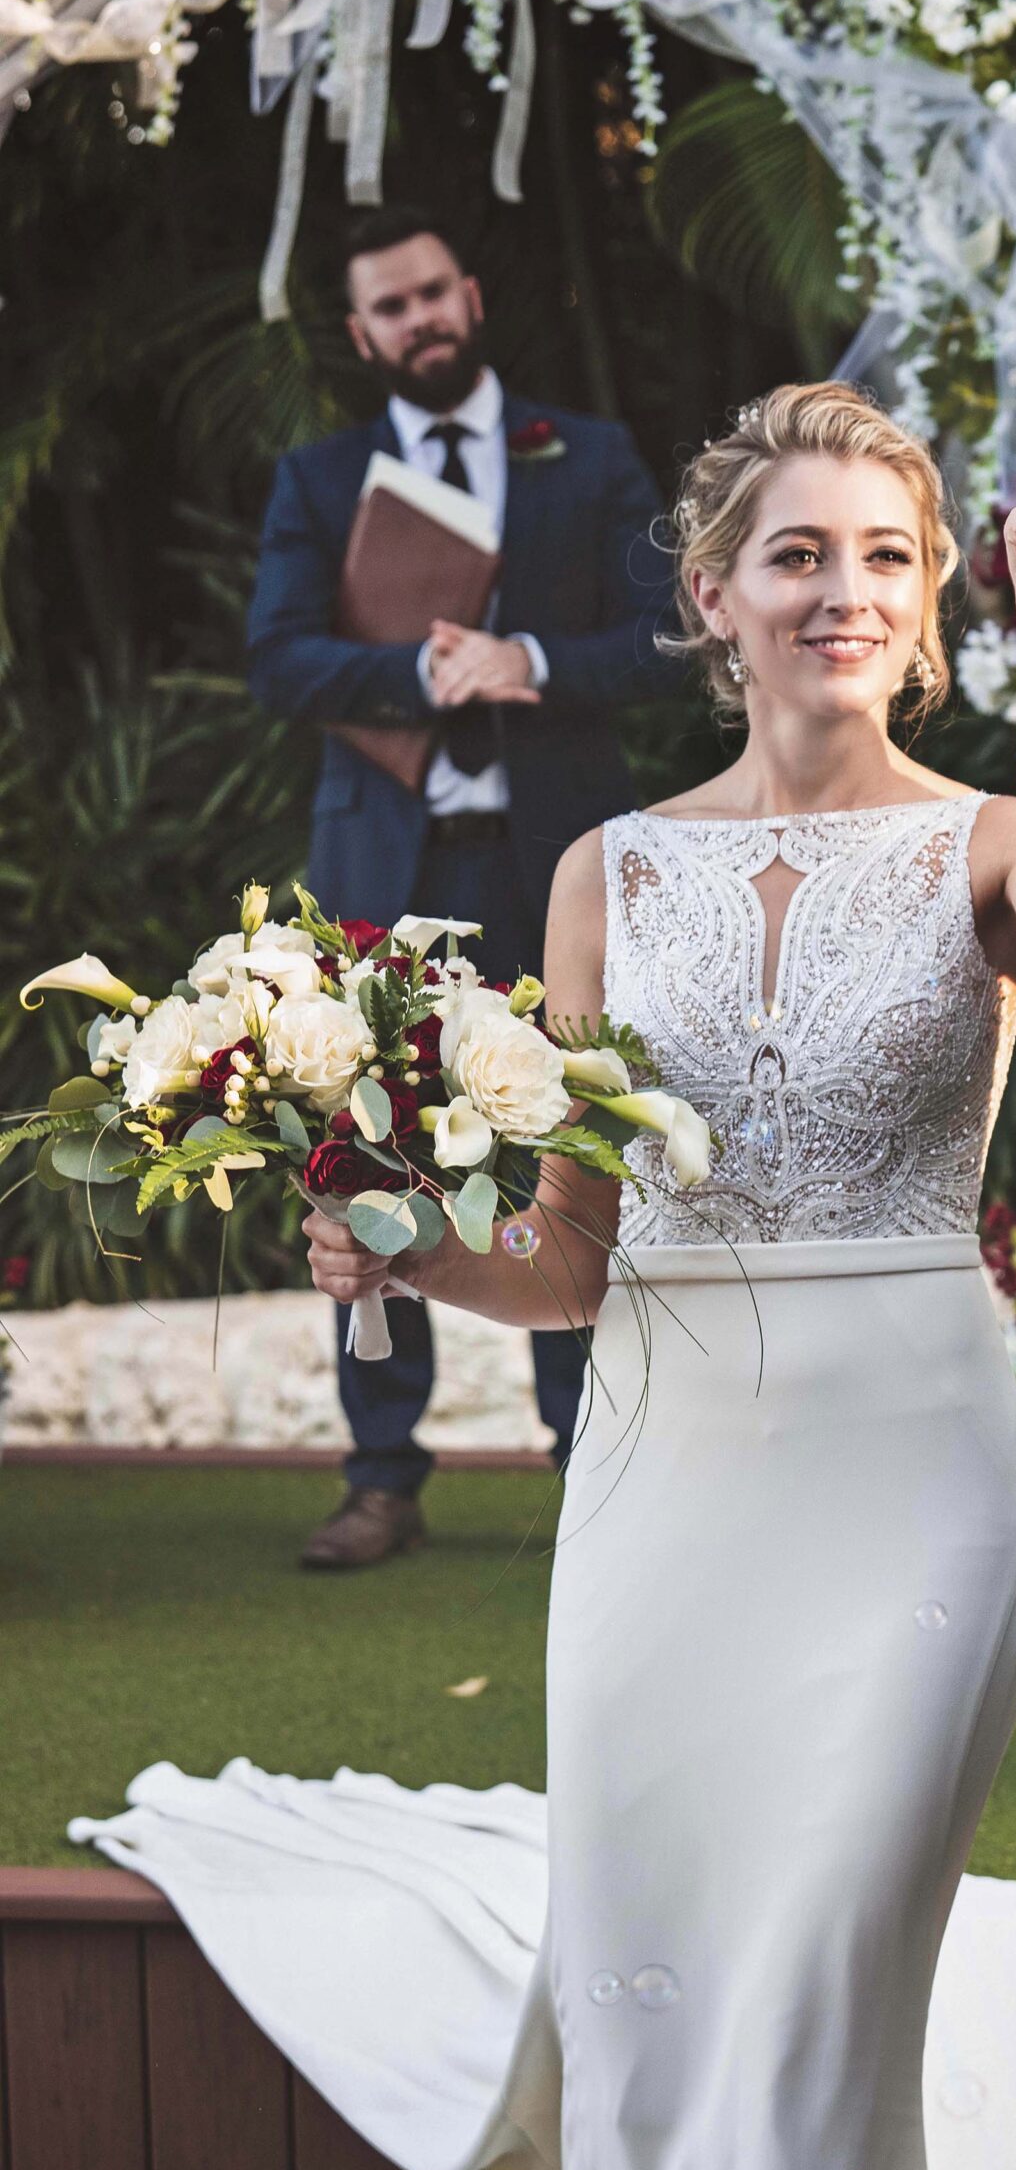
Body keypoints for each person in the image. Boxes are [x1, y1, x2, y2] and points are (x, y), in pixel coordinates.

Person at [304, 382, 1016, 2170]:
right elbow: (569, 1252)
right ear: (713, 595)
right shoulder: (603, 875)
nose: (842, 592)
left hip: (916, 1496)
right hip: (661, 1493)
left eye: (886, 557)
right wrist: (400, 1244)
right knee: (647, 2018)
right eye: (797, 554)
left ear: (930, 602)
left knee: (809, 2014)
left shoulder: (998, 841)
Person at [248, 205, 674, 1571]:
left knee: (564, 1144)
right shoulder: (322, 477)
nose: (419, 318)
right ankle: (381, 1471)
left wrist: (528, 661)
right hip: (387, 869)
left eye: (433, 292)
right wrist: (417, 674)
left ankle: (583, 1457)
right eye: (392, 305)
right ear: (361, 331)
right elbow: (277, 659)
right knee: (362, 1150)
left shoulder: (588, 455)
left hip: (554, 865)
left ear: (471, 297)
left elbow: (667, 635)